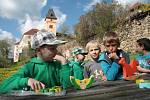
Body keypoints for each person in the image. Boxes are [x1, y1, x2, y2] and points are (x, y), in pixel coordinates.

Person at [0, 30, 72, 94]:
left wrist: (64, 62)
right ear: (38, 50)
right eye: (52, 48)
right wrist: (26, 81)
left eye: (55, 48)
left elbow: (68, 87)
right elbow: (2, 87)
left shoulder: (57, 65)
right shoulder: (30, 67)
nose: (56, 51)